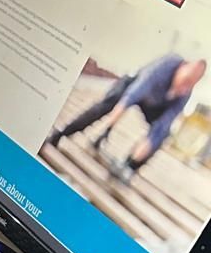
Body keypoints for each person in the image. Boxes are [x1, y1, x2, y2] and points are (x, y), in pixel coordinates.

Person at [43, 54, 206, 183]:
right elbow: (132, 95)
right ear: (183, 67)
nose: (184, 87)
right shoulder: (167, 65)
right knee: (105, 105)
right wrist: (107, 128)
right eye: (185, 81)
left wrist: (137, 156)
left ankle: (127, 168)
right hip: (133, 87)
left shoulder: (184, 95)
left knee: (163, 134)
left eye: (189, 85)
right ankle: (61, 133)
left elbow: (162, 126)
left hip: (153, 106)